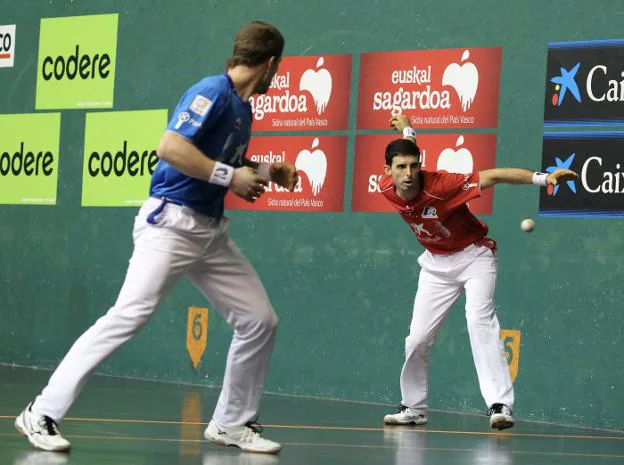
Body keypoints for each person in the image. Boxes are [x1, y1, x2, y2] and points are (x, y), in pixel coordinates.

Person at [15, 21, 297, 454]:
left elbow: (223, 162)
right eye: (279, 69)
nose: (277, 77)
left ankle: (231, 423)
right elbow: (170, 148)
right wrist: (230, 176)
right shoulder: (212, 91)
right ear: (272, 63)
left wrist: (265, 172)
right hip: (171, 225)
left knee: (260, 320)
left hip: (209, 232)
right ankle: (41, 412)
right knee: (128, 315)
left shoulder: (242, 110)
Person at [380, 114, 576, 430]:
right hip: (436, 263)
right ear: (387, 170)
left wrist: (544, 178)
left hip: (475, 256)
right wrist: (406, 127)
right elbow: (408, 146)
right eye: (401, 167)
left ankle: (500, 405)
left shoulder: (443, 185)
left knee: (478, 319)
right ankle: (414, 408)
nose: (409, 173)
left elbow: (495, 175)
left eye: (415, 166)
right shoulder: (387, 185)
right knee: (416, 339)